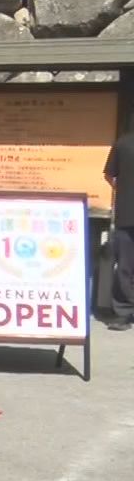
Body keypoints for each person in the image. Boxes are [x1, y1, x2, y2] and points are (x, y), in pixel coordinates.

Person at [103, 118, 134, 331]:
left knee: (125, 266)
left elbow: (108, 175)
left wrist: (123, 190)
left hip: (127, 213)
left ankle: (124, 313)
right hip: (126, 213)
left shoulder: (123, 143)